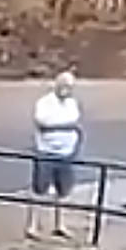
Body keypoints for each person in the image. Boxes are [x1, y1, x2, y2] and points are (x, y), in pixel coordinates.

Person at [27, 70, 82, 239]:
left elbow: (75, 118)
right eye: (64, 85)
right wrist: (67, 124)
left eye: (70, 87)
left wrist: (63, 125)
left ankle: (60, 225)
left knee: (63, 191)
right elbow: (43, 121)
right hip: (46, 151)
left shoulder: (72, 103)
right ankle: (32, 226)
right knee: (39, 189)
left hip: (66, 153)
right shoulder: (45, 102)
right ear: (57, 85)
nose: (67, 89)